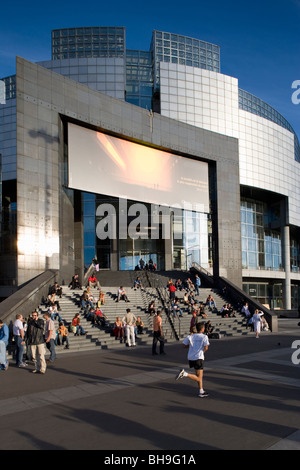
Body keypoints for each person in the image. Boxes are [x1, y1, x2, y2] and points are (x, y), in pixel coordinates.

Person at [175, 322, 210, 398]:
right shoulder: (204, 337)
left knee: (198, 376)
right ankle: (185, 374)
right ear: (203, 328)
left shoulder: (191, 336)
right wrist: (202, 352)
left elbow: (184, 345)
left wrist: (191, 347)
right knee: (199, 377)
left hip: (191, 357)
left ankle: (201, 391)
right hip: (199, 357)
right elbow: (206, 347)